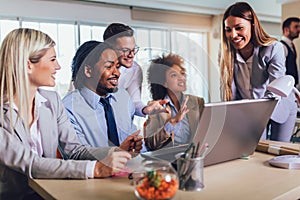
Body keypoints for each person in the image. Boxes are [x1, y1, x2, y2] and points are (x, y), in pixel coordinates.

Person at [0, 28, 134, 199]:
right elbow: (30, 163)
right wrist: (96, 168)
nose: (58, 67)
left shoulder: (52, 101)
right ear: (28, 65)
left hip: (50, 193)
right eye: (53, 59)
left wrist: (115, 152)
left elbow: (75, 151)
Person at [219, 2, 297, 142]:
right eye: (228, 30)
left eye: (239, 28)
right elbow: (228, 91)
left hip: (280, 105)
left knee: (277, 149)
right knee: (254, 150)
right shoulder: (226, 53)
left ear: (252, 26)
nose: (233, 35)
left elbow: (276, 88)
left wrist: (256, 111)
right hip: (251, 111)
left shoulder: (273, 48)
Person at [63, 40, 145, 152]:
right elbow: (76, 154)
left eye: (117, 66)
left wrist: (148, 142)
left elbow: (133, 140)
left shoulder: (123, 97)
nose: (117, 73)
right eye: (109, 67)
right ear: (88, 71)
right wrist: (117, 153)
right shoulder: (68, 108)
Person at [103, 23, 169, 117]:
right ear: (109, 48)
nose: (131, 55)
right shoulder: (96, 69)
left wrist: (145, 109)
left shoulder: (135, 69)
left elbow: (134, 101)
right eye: (125, 50)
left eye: (133, 49)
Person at [144, 53, 205, 151]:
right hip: (168, 160)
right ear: (164, 82)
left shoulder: (198, 102)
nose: (181, 78)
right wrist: (173, 121)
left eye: (182, 73)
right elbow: (151, 144)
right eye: (174, 75)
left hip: (192, 157)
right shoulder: (156, 106)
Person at [281, 17, 300, 86]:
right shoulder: (282, 47)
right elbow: (281, 70)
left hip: (292, 86)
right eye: (296, 27)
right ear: (286, 29)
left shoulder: (291, 45)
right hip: (287, 86)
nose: (299, 30)